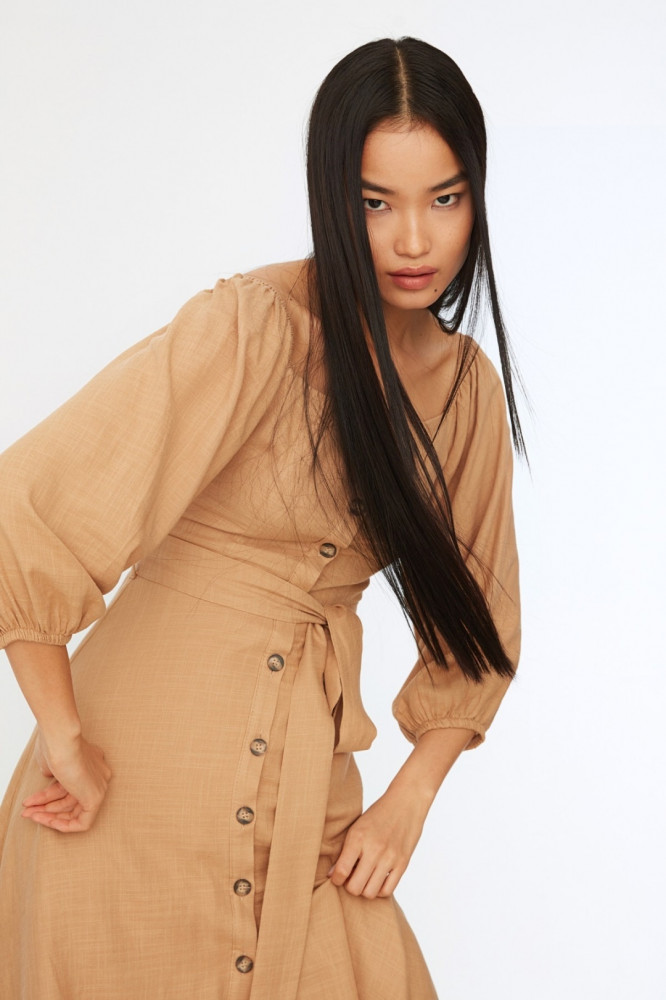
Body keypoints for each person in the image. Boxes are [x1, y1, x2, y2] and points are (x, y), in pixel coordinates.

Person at [0, 36, 522, 1000]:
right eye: (376, 202)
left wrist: (408, 801)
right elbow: (30, 507)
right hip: (131, 792)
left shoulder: (464, 394)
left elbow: (478, 631)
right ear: (331, 197)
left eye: (444, 199)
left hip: (305, 783)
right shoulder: (252, 328)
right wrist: (62, 733)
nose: (415, 240)